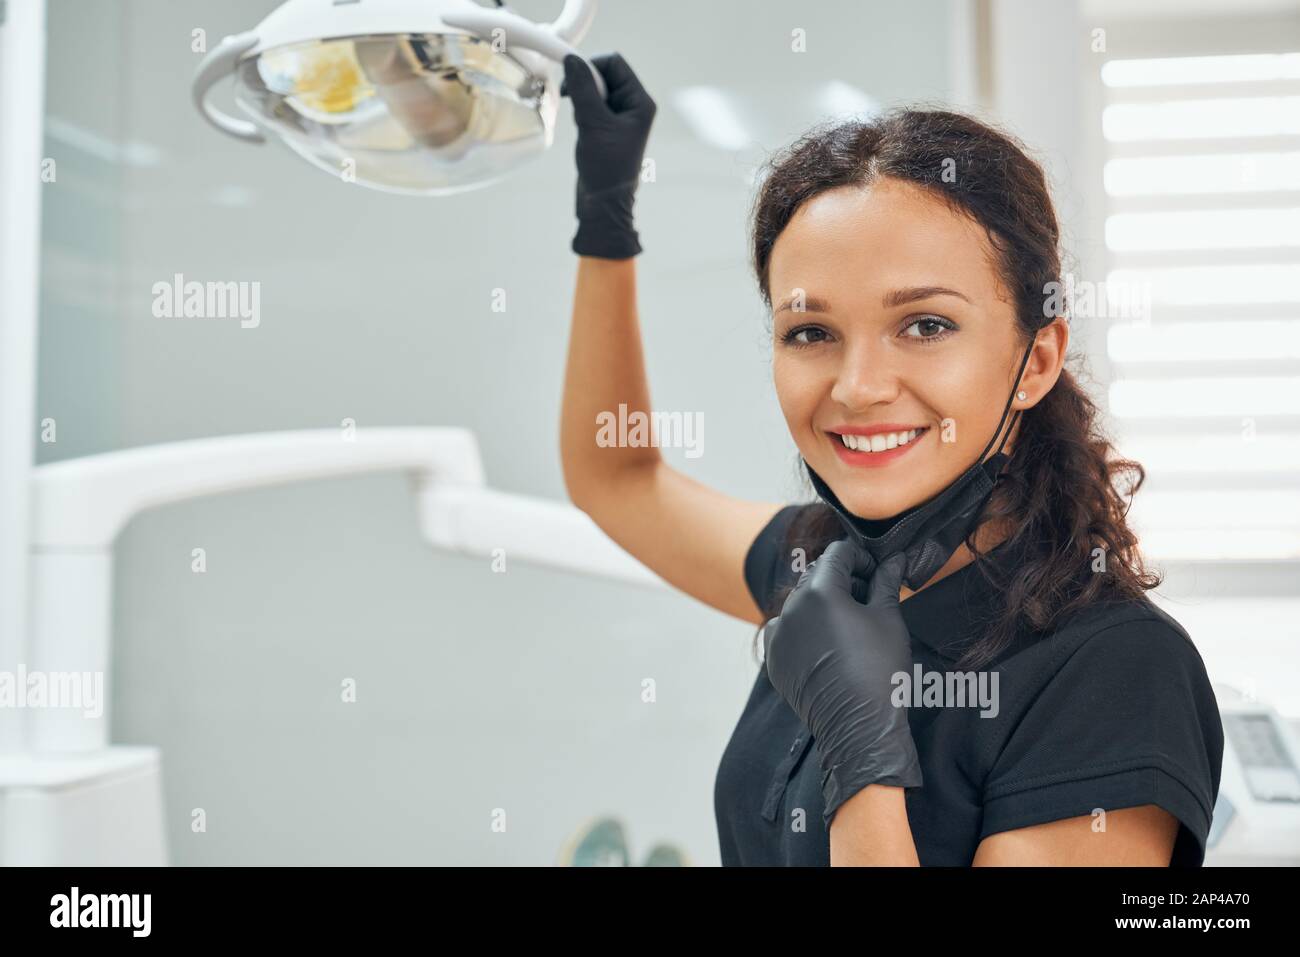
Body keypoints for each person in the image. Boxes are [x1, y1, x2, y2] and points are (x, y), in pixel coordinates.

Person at [557, 53, 1223, 866]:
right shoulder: (825, 565)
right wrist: (605, 224)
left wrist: (862, 756)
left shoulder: (1115, 674)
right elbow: (615, 478)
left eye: (926, 325)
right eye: (812, 332)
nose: (859, 387)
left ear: (1038, 358)